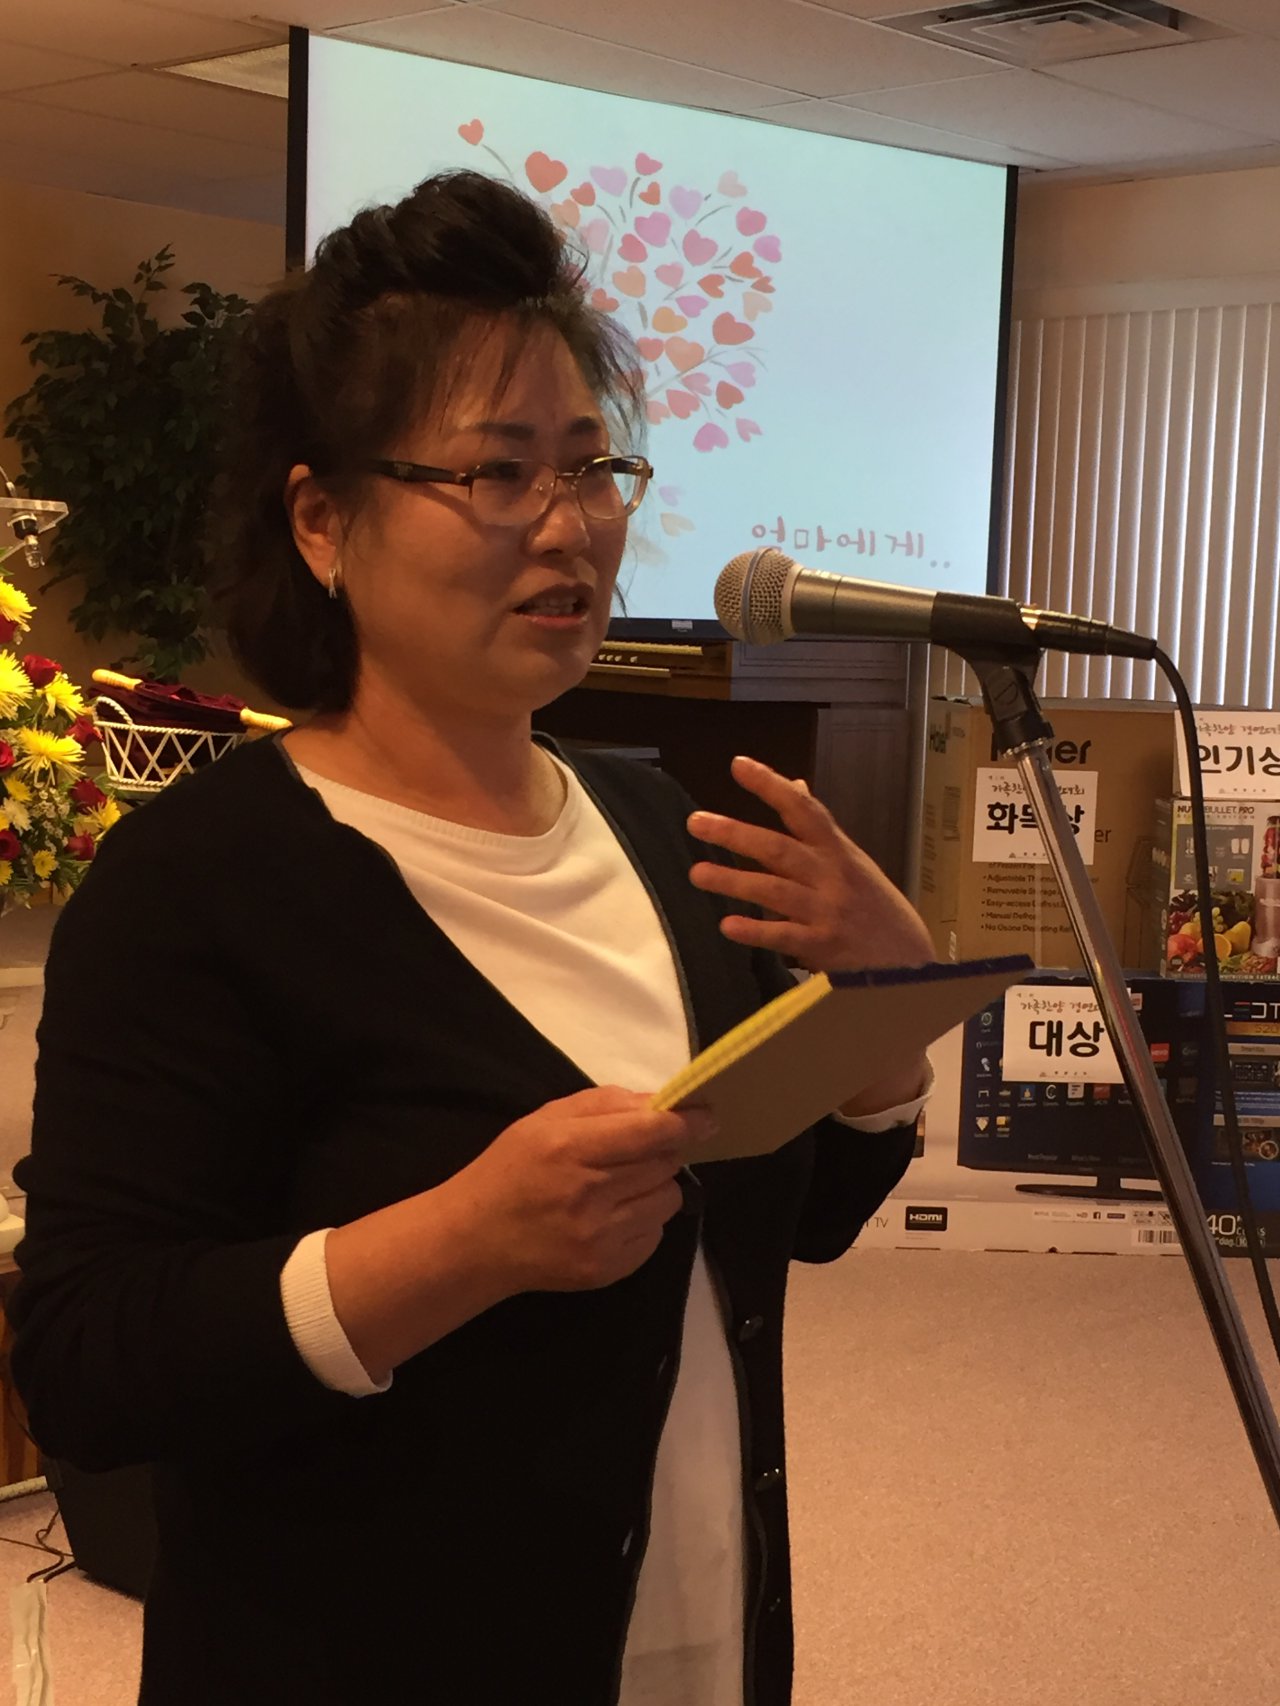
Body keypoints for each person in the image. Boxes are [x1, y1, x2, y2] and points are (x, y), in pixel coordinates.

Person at [10, 171, 933, 1706]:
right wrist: (461, 1242)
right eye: (499, 472)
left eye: (593, 465)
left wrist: (882, 1026)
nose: (570, 527)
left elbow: (785, 1217)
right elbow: (88, 1364)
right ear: (322, 520)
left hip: (697, 1639)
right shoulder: (201, 882)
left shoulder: (660, 823)